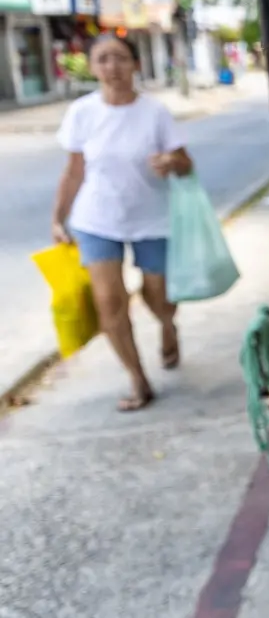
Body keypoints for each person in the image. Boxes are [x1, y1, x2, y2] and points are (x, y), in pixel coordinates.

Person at [51, 33, 192, 412]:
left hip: (152, 217)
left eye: (120, 58)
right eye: (103, 59)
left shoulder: (155, 112)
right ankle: (138, 378)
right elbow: (74, 170)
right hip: (96, 219)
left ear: (134, 64)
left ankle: (167, 325)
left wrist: (170, 162)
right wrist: (58, 218)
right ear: (93, 67)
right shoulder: (82, 112)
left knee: (158, 295)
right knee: (109, 302)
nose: (112, 67)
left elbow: (185, 162)